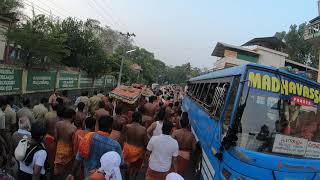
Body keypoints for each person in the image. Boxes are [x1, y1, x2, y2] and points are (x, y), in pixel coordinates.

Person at [122, 111, 148, 180]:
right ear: (140, 119)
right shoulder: (143, 129)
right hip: (138, 151)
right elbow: (146, 143)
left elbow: (123, 138)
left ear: (132, 118)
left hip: (127, 149)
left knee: (127, 168)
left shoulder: (127, 126)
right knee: (135, 169)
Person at [54, 108, 77, 179]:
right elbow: (74, 143)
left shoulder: (58, 124)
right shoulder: (73, 128)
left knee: (58, 170)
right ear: (73, 116)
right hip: (68, 150)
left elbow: (55, 137)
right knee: (67, 171)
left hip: (59, 147)